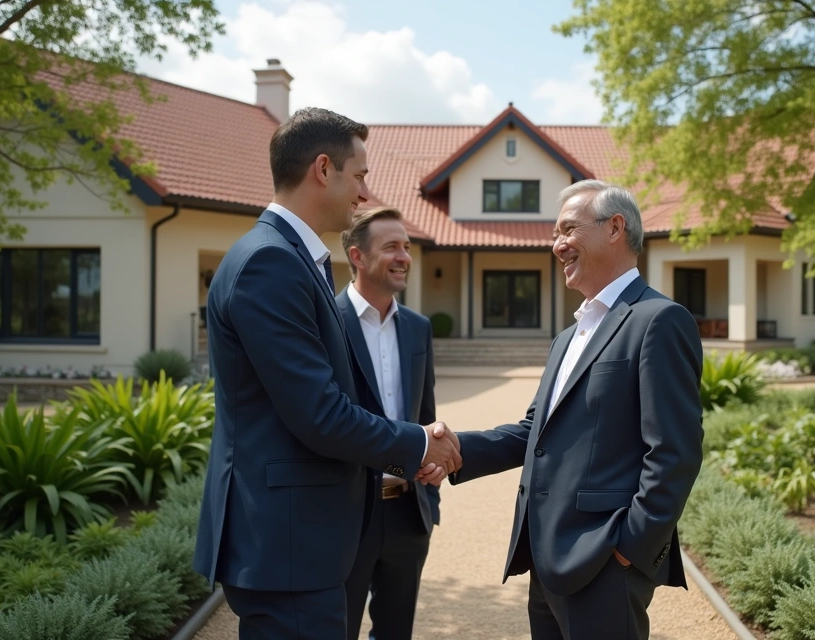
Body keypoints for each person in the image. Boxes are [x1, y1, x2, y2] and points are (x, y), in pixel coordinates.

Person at [192, 107, 461, 640]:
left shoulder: (290, 258)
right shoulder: (270, 263)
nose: (364, 192)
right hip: (290, 541)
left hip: (300, 541)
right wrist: (417, 444)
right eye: (359, 174)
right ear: (323, 169)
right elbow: (318, 413)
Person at [446, 179, 705, 640]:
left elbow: (674, 452)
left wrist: (628, 550)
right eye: (553, 236)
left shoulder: (659, 320)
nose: (557, 246)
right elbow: (535, 433)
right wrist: (456, 449)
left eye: (567, 230)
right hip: (545, 559)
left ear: (615, 228)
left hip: (604, 564)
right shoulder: (569, 336)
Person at [336, 207, 440, 640]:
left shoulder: (419, 328)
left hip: (407, 511)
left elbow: (426, 418)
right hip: (345, 512)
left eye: (407, 247)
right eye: (391, 247)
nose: (403, 256)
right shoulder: (328, 323)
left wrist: (432, 486)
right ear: (357, 256)